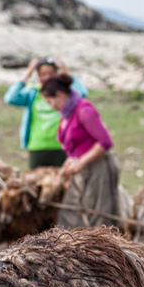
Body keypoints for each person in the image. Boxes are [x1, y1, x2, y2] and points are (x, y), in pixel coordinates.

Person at [40, 74, 120, 228]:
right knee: (70, 213)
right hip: (83, 166)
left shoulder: (84, 111)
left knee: (98, 214)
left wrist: (80, 163)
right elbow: (75, 149)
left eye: (50, 101)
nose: (51, 106)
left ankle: (101, 242)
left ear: (60, 95)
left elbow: (105, 142)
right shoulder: (67, 114)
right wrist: (65, 168)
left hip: (100, 167)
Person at [4, 57, 89, 169]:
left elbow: (82, 92)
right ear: (38, 76)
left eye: (51, 73)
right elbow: (11, 98)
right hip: (37, 146)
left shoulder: (64, 94)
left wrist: (67, 72)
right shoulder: (33, 93)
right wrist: (28, 73)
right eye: (43, 74)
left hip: (61, 145)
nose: (48, 77)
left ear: (57, 73)